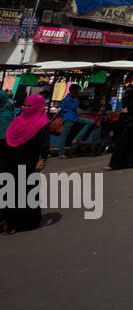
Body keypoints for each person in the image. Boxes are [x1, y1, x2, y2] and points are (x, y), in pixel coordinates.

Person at [1, 94, 53, 234]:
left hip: (30, 160)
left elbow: (45, 142)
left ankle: (28, 222)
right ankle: (10, 222)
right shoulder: (18, 119)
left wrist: (42, 159)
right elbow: (9, 136)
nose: (26, 108)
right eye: (25, 105)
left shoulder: (43, 121)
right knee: (10, 189)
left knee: (28, 190)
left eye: (30, 106)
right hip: (11, 158)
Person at [108, 87, 133, 170]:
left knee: (126, 145)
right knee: (123, 145)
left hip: (131, 126)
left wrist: (128, 111)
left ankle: (124, 163)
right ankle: (120, 163)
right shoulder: (130, 101)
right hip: (127, 126)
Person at [59, 84, 94, 157]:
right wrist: (76, 99)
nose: (79, 92)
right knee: (63, 136)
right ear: (74, 91)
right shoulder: (68, 99)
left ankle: (77, 139)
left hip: (74, 117)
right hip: (69, 118)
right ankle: (61, 154)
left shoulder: (70, 99)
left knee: (90, 122)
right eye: (78, 90)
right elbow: (74, 107)